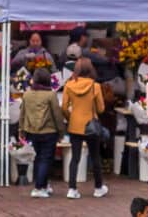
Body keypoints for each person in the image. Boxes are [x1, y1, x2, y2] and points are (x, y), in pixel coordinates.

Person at [59, 60, 107, 201]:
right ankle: (98, 188)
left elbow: (64, 108)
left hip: (75, 125)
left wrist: (71, 116)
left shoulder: (69, 85)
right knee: (95, 157)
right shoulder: (95, 86)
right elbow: (101, 108)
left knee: (75, 158)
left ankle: (72, 189)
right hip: (91, 125)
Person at [20, 71, 62, 199]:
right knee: (45, 159)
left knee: (39, 158)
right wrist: (61, 131)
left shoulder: (27, 94)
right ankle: (39, 187)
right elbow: (57, 114)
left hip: (32, 131)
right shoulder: (51, 95)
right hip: (49, 131)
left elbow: (23, 113)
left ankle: (43, 185)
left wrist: (21, 130)